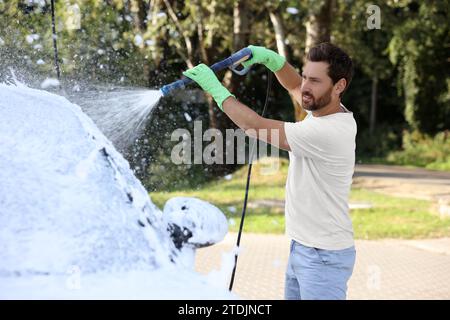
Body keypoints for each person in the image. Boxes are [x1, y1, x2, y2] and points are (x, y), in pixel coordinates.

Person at [183, 42, 357, 300]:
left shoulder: (327, 131)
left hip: (323, 257)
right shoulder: (324, 109)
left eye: (315, 81)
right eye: (306, 75)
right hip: (304, 247)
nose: (306, 86)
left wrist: (216, 90)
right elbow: (295, 86)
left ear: (339, 86)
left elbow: (254, 126)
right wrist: (272, 61)